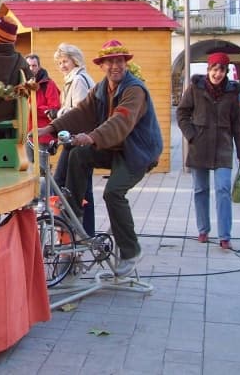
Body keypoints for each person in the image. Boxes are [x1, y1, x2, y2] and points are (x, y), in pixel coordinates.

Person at [38, 39, 163, 277]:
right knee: (77, 154)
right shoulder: (102, 88)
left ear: (125, 64)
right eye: (109, 62)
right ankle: (74, 214)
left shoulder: (134, 90)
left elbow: (121, 121)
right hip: (115, 146)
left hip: (137, 151)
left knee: (113, 193)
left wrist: (92, 136)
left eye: (119, 61)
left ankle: (130, 251)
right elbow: (81, 111)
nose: (115, 66)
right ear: (102, 65)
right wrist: (51, 129)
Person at [176, 52, 240, 250]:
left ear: (226, 72)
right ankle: (203, 230)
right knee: (200, 190)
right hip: (200, 145)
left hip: (223, 147)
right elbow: (182, 113)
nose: (217, 74)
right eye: (214, 69)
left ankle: (224, 235)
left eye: (221, 70)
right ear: (208, 70)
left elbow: (238, 125)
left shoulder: (232, 93)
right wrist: (191, 134)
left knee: (223, 189)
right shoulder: (195, 88)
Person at [53, 43, 96, 235]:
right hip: (76, 139)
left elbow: (80, 112)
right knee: (82, 186)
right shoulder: (74, 79)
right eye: (60, 62)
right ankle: (84, 231)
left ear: (75, 60)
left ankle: (75, 230)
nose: (62, 65)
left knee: (62, 182)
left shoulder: (78, 80)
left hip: (78, 140)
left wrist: (59, 117)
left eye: (65, 61)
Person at [25, 53, 61, 148]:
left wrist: (32, 109)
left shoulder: (49, 84)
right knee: (27, 163)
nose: (31, 68)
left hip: (43, 134)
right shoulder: (22, 84)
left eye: (34, 65)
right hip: (25, 134)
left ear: (39, 67)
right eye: (28, 66)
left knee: (43, 163)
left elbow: (54, 109)